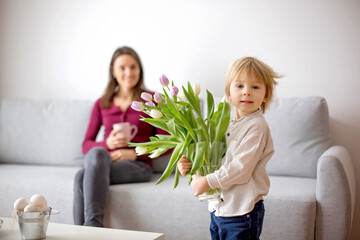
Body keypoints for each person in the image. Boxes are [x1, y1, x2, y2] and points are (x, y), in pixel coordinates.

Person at [178, 57, 281, 239]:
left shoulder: (257, 126)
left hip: (242, 212)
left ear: (265, 94)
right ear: (229, 92)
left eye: (255, 87)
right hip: (220, 210)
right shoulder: (227, 124)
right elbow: (214, 159)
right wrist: (190, 165)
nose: (246, 92)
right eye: (239, 86)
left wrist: (207, 182)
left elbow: (240, 169)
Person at [73, 46, 167, 227]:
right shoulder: (102, 103)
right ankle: (86, 232)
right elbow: (86, 145)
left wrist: (135, 154)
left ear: (140, 69)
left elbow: (168, 143)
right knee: (94, 157)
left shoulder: (153, 100)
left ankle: (92, 228)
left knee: (81, 177)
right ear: (113, 71)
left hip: (139, 166)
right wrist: (107, 143)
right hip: (106, 164)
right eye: (122, 68)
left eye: (133, 67)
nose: (129, 72)